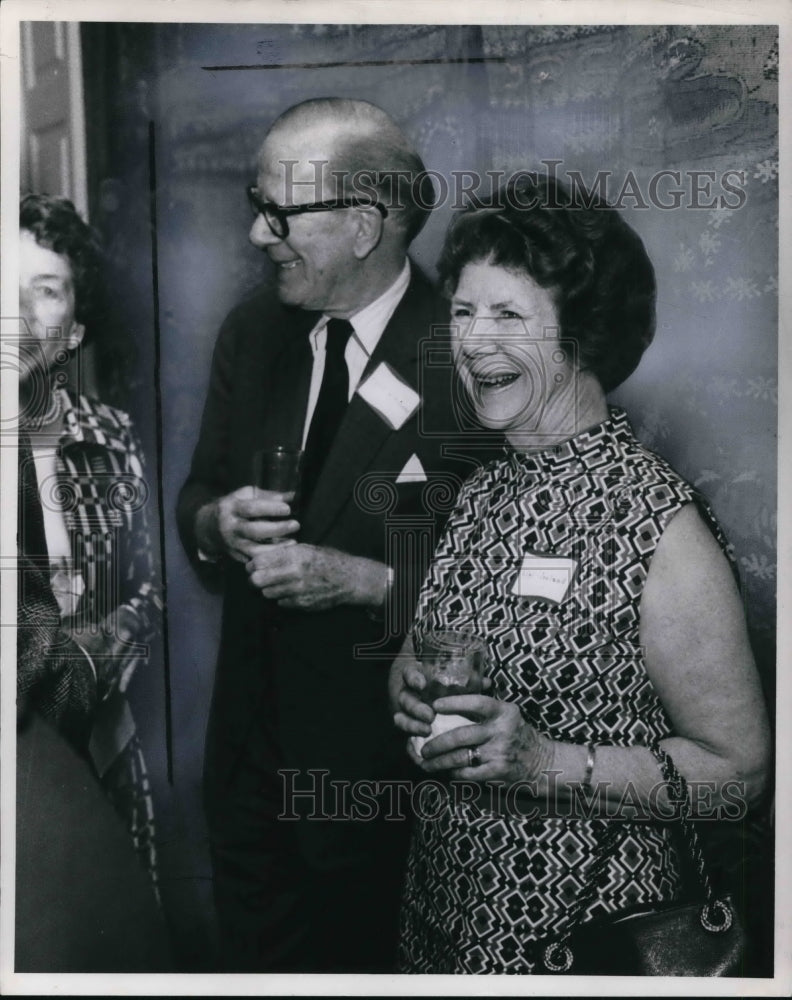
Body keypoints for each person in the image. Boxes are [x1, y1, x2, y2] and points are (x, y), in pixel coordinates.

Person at [390, 174, 771, 974]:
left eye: (508, 316)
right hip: (447, 919)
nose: (474, 341)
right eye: (463, 312)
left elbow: (738, 773)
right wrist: (408, 680)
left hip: (589, 939)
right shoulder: (481, 495)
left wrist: (546, 764)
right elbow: (459, 658)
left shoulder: (658, 526)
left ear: (580, 335)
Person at [176, 97, 496, 972]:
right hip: (247, 772)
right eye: (256, 201)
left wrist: (366, 580)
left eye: (279, 211)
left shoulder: (467, 352)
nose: (255, 233)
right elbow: (198, 490)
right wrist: (214, 522)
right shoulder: (253, 334)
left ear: (364, 225)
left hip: (380, 787)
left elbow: (506, 569)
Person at [16, 195, 170, 971]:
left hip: (102, 752)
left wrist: (116, 639)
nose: (16, 307)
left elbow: (154, 584)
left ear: (74, 328)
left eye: (45, 286)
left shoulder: (110, 441)